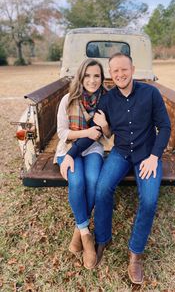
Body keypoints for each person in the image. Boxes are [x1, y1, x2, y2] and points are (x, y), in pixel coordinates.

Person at [60, 53, 171, 284]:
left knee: (149, 200)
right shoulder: (108, 100)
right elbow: (96, 132)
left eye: (124, 69)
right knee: (102, 189)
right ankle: (102, 239)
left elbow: (165, 127)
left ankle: (135, 255)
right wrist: (70, 154)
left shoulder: (150, 93)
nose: (120, 74)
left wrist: (154, 157)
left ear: (133, 69)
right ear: (111, 74)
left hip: (146, 155)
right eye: (115, 71)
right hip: (120, 153)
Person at [55, 58, 110, 270]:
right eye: (87, 75)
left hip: (94, 149)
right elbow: (62, 133)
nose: (92, 80)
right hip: (68, 149)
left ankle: (78, 230)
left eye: (97, 76)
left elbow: (108, 134)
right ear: (81, 77)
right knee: (76, 182)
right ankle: (86, 235)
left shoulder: (106, 100)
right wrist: (86, 132)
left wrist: (104, 127)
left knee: (94, 180)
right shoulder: (68, 100)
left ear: (102, 78)